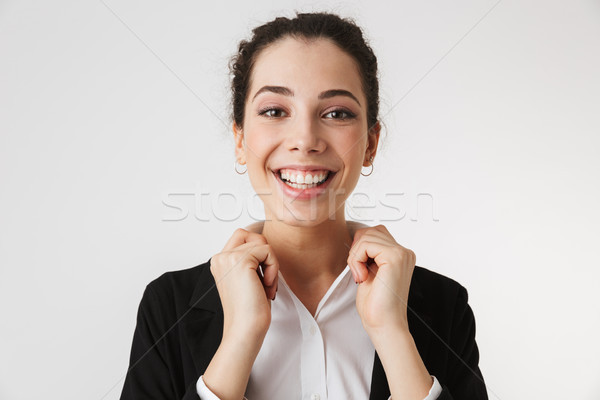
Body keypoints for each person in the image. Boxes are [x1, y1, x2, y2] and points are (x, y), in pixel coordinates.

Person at [120, 12, 488, 400]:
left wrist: (392, 333)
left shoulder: (443, 306)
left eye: (337, 114)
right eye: (275, 111)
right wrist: (240, 338)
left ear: (370, 143)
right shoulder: (169, 306)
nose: (305, 139)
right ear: (240, 139)